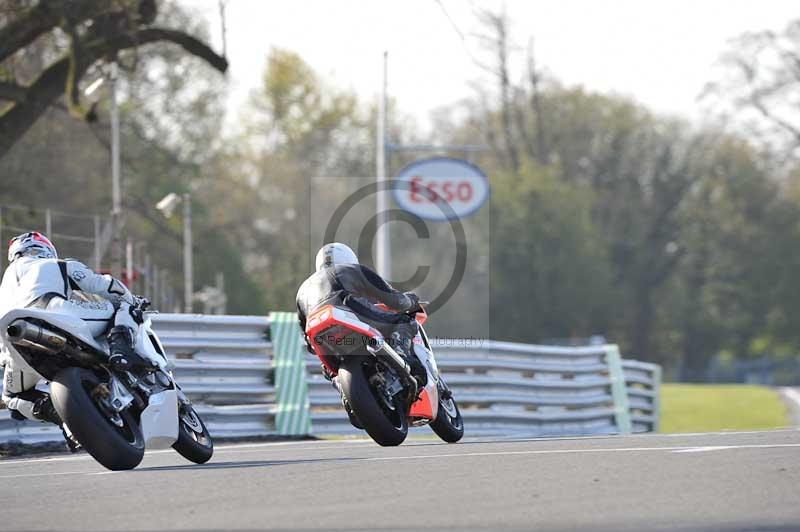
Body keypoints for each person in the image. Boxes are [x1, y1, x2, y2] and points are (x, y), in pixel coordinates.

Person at [0, 232, 154, 427]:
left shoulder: (3, 287)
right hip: (53, 311)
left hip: (14, 344)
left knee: (12, 397)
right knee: (123, 307)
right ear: (45, 248)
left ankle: (60, 415)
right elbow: (105, 286)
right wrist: (133, 299)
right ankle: (121, 351)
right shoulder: (57, 263)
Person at [296, 242, 425, 382]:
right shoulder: (352, 270)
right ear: (349, 259)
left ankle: (340, 385)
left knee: (329, 371)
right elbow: (396, 302)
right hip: (349, 312)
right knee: (405, 321)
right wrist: (411, 301)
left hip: (321, 336)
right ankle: (401, 356)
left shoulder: (303, 290)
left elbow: (309, 344)